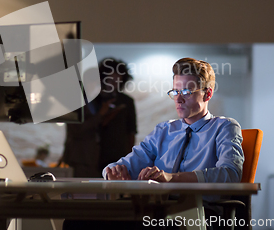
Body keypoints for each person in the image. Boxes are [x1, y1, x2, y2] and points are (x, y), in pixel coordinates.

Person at [103, 57, 244, 187]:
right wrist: (113, 172)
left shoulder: (224, 127)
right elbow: (122, 165)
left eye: (186, 92)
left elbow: (231, 174)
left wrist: (171, 178)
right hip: (159, 207)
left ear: (207, 94)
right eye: (175, 92)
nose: (178, 99)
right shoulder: (163, 130)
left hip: (200, 209)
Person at [98, 57, 137, 172]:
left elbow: (131, 130)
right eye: (110, 77)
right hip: (96, 154)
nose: (114, 80)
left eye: (117, 77)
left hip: (119, 153)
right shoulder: (95, 99)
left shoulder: (127, 101)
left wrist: (129, 157)